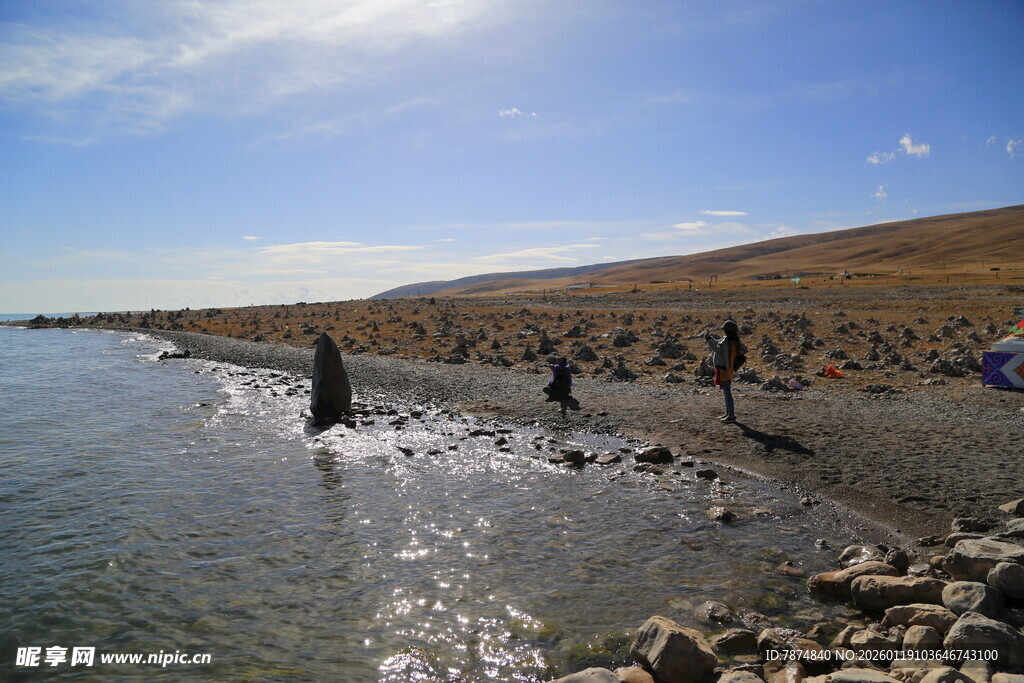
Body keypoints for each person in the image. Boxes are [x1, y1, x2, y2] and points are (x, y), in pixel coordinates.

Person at [706, 320, 744, 422]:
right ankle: (728, 413)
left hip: (724, 370)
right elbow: (718, 343)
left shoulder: (728, 343)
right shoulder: (729, 341)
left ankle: (731, 415)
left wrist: (708, 339)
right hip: (725, 369)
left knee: (727, 393)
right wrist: (710, 338)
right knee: (726, 393)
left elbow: (717, 348)